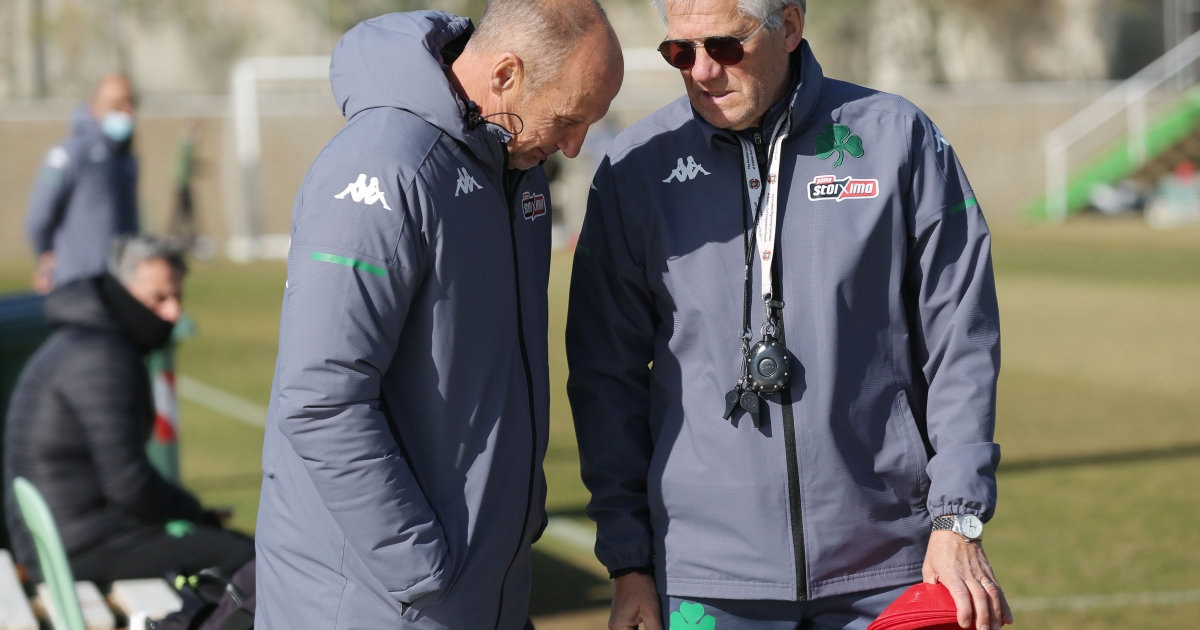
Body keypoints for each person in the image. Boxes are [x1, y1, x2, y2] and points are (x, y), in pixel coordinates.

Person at [566, 1, 1011, 630]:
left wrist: (957, 518)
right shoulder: (634, 168)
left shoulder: (897, 138)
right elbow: (604, 377)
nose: (702, 70)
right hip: (705, 579)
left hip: (888, 566)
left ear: (791, 27)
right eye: (679, 52)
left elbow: (960, 336)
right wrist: (629, 561)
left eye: (725, 46)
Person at [253, 4, 622, 629]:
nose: (574, 145)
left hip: (481, 590)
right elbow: (321, 398)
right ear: (504, 74)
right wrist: (419, 567)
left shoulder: (520, 173)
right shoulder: (381, 167)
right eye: (568, 119)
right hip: (383, 604)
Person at [3, 236, 254, 584]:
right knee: (249, 560)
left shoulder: (92, 341)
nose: (173, 313)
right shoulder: (100, 357)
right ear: (123, 290)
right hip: (79, 549)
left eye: (177, 297)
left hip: (71, 539)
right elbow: (129, 485)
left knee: (237, 552)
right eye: (158, 299)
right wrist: (197, 513)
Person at [25, 74, 140, 295]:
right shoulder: (69, 153)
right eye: (117, 104)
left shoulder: (126, 159)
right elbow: (39, 216)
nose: (127, 112)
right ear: (95, 106)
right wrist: (46, 256)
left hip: (120, 281)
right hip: (77, 282)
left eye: (131, 104)